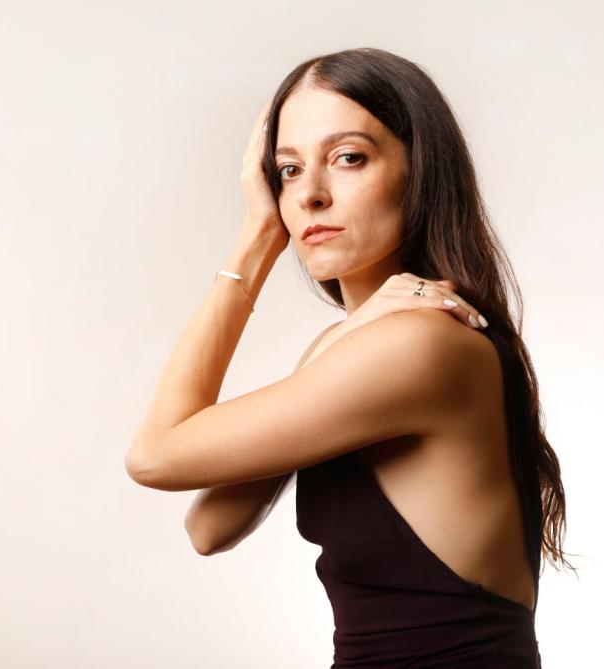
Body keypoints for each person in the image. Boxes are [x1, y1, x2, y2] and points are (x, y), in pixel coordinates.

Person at [125, 47, 574, 668]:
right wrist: (276, 245)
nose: (309, 194)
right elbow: (210, 527)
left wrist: (256, 244)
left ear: (420, 171)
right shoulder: (358, 342)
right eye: (286, 170)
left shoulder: (421, 345)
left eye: (348, 158)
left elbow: (154, 455)